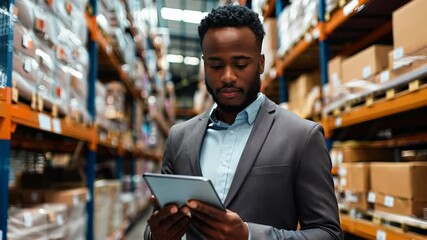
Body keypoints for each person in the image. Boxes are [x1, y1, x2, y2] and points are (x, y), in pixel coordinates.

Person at [145, 4, 343, 240]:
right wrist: (156, 236)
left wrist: (250, 236)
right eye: (216, 65)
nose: (228, 76)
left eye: (240, 64)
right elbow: (156, 225)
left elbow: (329, 233)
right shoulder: (179, 138)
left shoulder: (302, 136)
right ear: (204, 64)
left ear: (260, 63)